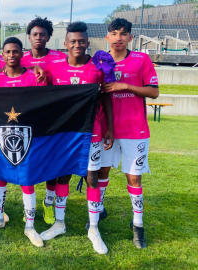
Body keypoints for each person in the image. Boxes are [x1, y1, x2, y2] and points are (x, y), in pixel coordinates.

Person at [38, 22, 113, 255]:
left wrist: (109, 127)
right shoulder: (55, 65)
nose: (77, 44)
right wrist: (38, 74)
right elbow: (42, 85)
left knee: (91, 177)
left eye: (81, 41)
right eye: (73, 41)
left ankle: (93, 228)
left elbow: (106, 98)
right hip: (64, 133)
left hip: (92, 132)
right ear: (65, 44)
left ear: (88, 43)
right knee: (62, 175)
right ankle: (59, 223)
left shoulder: (97, 68)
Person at [99, 18, 159, 249]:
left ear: (130, 38)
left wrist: (125, 86)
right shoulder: (99, 61)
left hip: (135, 130)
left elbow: (153, 92)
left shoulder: (141, 59)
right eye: (114, 33)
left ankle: (138, 224)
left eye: (123, 34)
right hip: (107, 129)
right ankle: (99, 210)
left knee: (134, 177)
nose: (118, 38)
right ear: (107, 37)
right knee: (101, 171)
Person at [0, 37, 43, 248]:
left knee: (27, 181)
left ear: (21, 53)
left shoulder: (33, 78)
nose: (10, 55)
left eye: (15, 51)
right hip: (2, 136)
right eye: (7, 52)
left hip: (27, 137)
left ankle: (30, 226)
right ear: (3, 53)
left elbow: (44, 103)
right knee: (0, 178)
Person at [23, 17, 68, 225]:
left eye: (43, 34)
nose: (39, 37)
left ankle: (48, 203)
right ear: (29, 37)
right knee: (29, 162)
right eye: (35, 34)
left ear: (49, 36)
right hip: (27, 120)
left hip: (54, 120)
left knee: (54, 165)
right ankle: (28, 207)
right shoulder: (20, 58)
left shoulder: (60, 58)